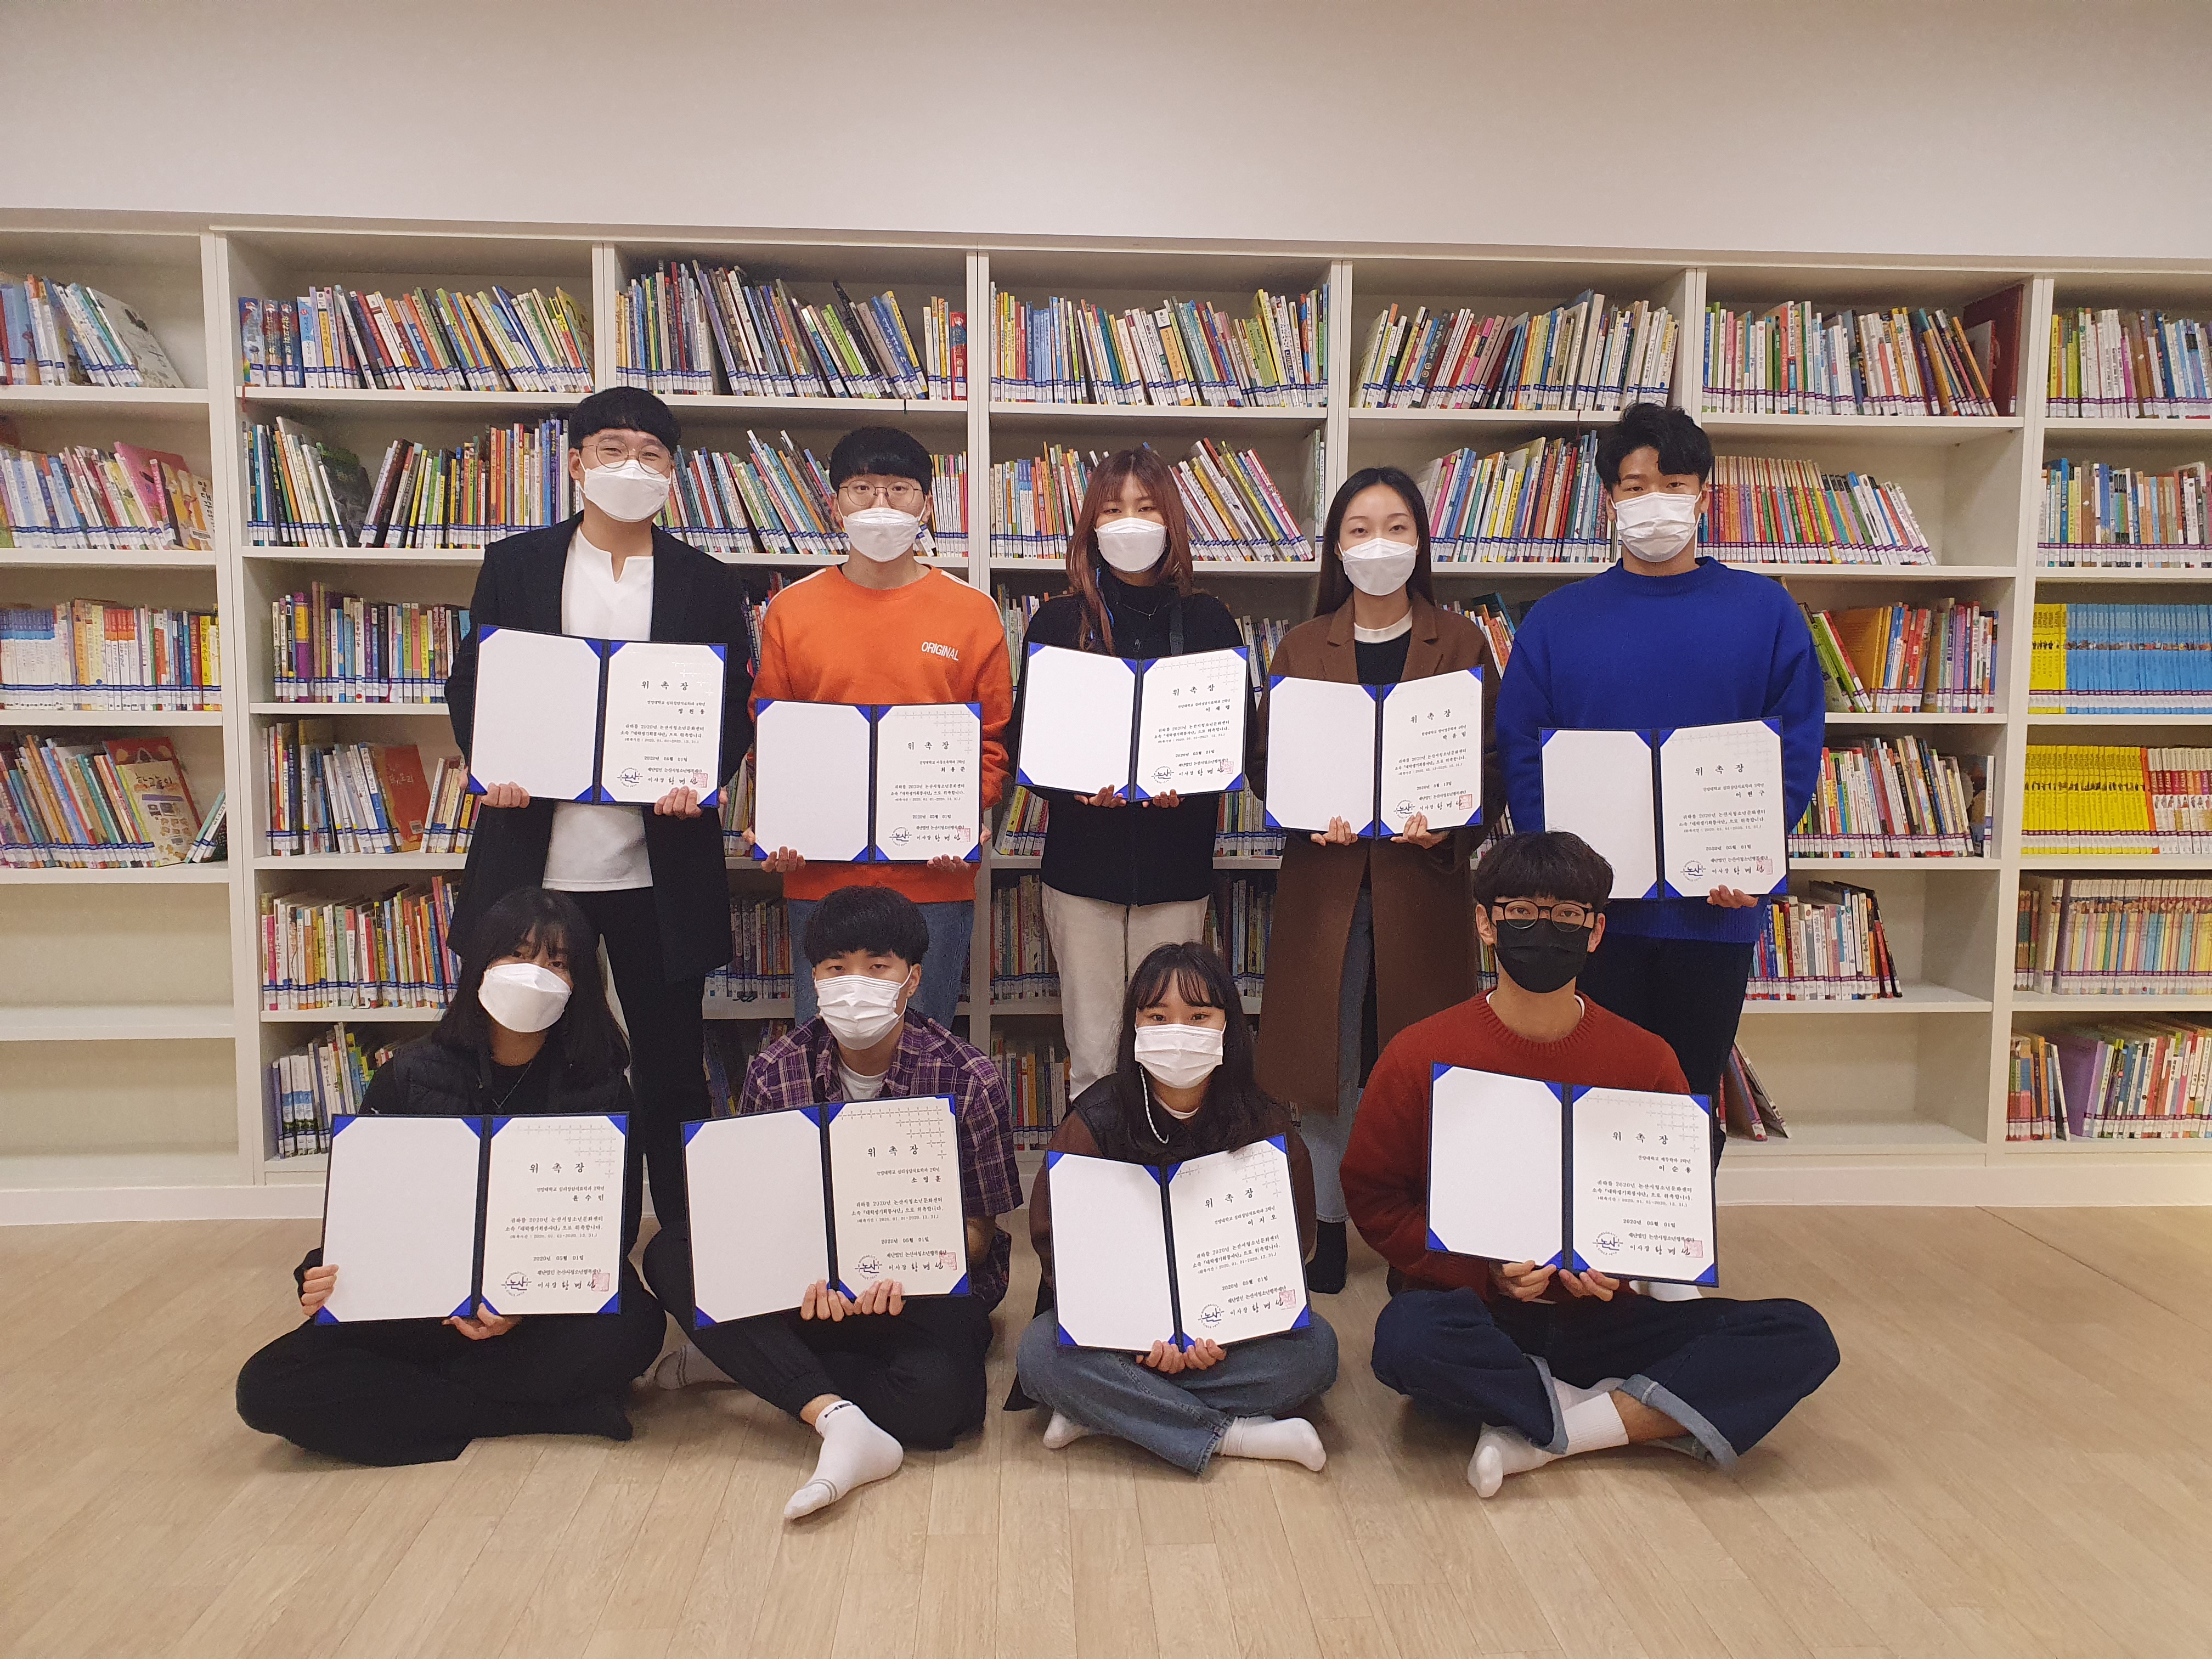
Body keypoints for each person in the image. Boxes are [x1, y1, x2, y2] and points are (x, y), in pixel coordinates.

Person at [1340, 831, 1839, 1496]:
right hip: (1476, 1308)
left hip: (1602, 1318)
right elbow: (1375, 1198)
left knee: (1801, 1335)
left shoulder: (1646, 1059)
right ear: (1486, 924)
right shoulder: (1419, 1052)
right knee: (1407, 1339)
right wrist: (1484, 1273)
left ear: (1597, 931)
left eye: (1568, 915)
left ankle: (1550, 1427)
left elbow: (1668, 1204)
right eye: (1521, 912)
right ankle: (1619, 1410)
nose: (1543, 930)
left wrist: (1622, 1266)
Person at [445, 385, 755, 1240]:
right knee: (526, 1049)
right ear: (576, 463)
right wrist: (493, 762)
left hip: (659, 868)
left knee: (671, 1067)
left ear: (673, 474)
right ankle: (546, 1237)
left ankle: (689, 1243)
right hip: (534, 861)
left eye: (652, 454)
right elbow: (477, 681)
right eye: (612, 449)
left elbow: (731, 702)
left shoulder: (705, 581)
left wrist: (703, 774)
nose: (631, 466)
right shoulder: (517, 565)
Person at [235, 889, 669, 1466]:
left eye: (559, 962)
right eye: (519, 955)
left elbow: (611, 1234)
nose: (536, 974)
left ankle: (415, 1403)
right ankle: (538, 1414)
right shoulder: (410, 1075)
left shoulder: (601, 1087)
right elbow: (365, 1213)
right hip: (423, 1305)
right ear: (481, 964)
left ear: (580, 983)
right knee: (266, 1386)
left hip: (535, 1308)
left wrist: (523, 1303)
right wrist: (317, 1272)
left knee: (635, 1327)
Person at [1494, 403, 1822, 1156]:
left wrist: (1754, 857)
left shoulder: (1766, 612)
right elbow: (1524, 753)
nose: (1655, 502)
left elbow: (1796, 745)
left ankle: (1679, 1229)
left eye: (1673, 484)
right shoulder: (1557, 622)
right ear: (1610, 499)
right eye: (1635, 486)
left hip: (1715, 911)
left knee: (1688, 1094)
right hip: (1593, 917)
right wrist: (1561, 880)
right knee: (1588, 1093)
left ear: (1704, 493)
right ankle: (1590, 1230)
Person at [642, 884, 1020, 1521]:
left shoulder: (969, 1077)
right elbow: (755, 1214)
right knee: (672, 1252)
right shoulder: (775, 1071)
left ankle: (757, 1363)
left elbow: (979, 1232)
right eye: (836, 968)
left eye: (878, 967)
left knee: (942, 1405)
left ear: (913, 979)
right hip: (802, 1291)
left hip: (915, 1293)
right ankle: (833, 1414)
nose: (855, 985)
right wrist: (798, 1276)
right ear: (813, 978)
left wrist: (900, 1267)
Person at [1254, 467, 1502, 1293]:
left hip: (1419, 885)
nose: (1378, 545)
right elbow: (1267, 761)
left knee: (1421, 1063)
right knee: (1324, 1065)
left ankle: (1413, 1235)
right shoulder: (1302, 646)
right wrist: (1302, 809)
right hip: (1326, 889)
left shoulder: (1460, 644)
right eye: (1359, 530)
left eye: (1397, 527)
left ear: (1421, 541)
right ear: (1335, 547)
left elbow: (1493, 762)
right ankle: (1325, 1227)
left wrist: (1454, 821)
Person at [1017, 941, 1339, 1476]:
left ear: (1228, 1027)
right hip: (1118, 1338)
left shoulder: (1264, 1124)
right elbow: (1057, 1249)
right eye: (1158, 1017)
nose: (1179, 1032)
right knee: (1038, 1354)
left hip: (1231, 1339)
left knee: (1317, 1352)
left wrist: (1228, 1330)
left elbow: (1294, 1247)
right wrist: (1133, 1335)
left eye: (1199, 1016)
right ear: (1135, 1028)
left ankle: (1109, 1411)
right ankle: (1233, 1434)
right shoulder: (1096, 1119)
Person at [750, 425, 1014, 1029]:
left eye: (899, 489)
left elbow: (992, 740)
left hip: (934, 877)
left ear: (927, 505)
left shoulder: (972, 612)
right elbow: (772, 736)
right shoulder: (792, 610)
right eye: (862, 489)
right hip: (819, 875)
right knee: (825, 1045)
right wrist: (779, 819)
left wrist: (964, 815)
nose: (880, 505)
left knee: (923, 1050)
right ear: (835, 504)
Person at [1014, 447, 1248, 1096]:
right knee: (1093, 1050)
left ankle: (1165, 1157)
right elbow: (1028, 740)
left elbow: (1235, 739)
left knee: (1170, 1043)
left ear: (1171, 520)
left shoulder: (1208, 620)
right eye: (1113, 510)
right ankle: (1094, 1159)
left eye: (1147, 508)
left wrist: (1189, 789)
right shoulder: (1058, 622)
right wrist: (1076, 789)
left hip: (1176, 868)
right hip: (1080, 870)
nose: (1130, 524)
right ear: (1090, 524)